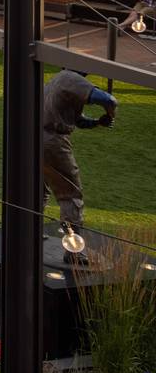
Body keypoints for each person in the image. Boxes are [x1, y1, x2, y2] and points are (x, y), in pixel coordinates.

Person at [42, 67, 118, 247]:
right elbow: (109, 100)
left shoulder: (57, 79)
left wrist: (98, 122)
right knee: (71, 193)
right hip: (53, 141)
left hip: (36, 136)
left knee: (39, 188)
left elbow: (79, 120)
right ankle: (74, 249)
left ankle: (29, 233)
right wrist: (110, 113)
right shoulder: (72, 78)